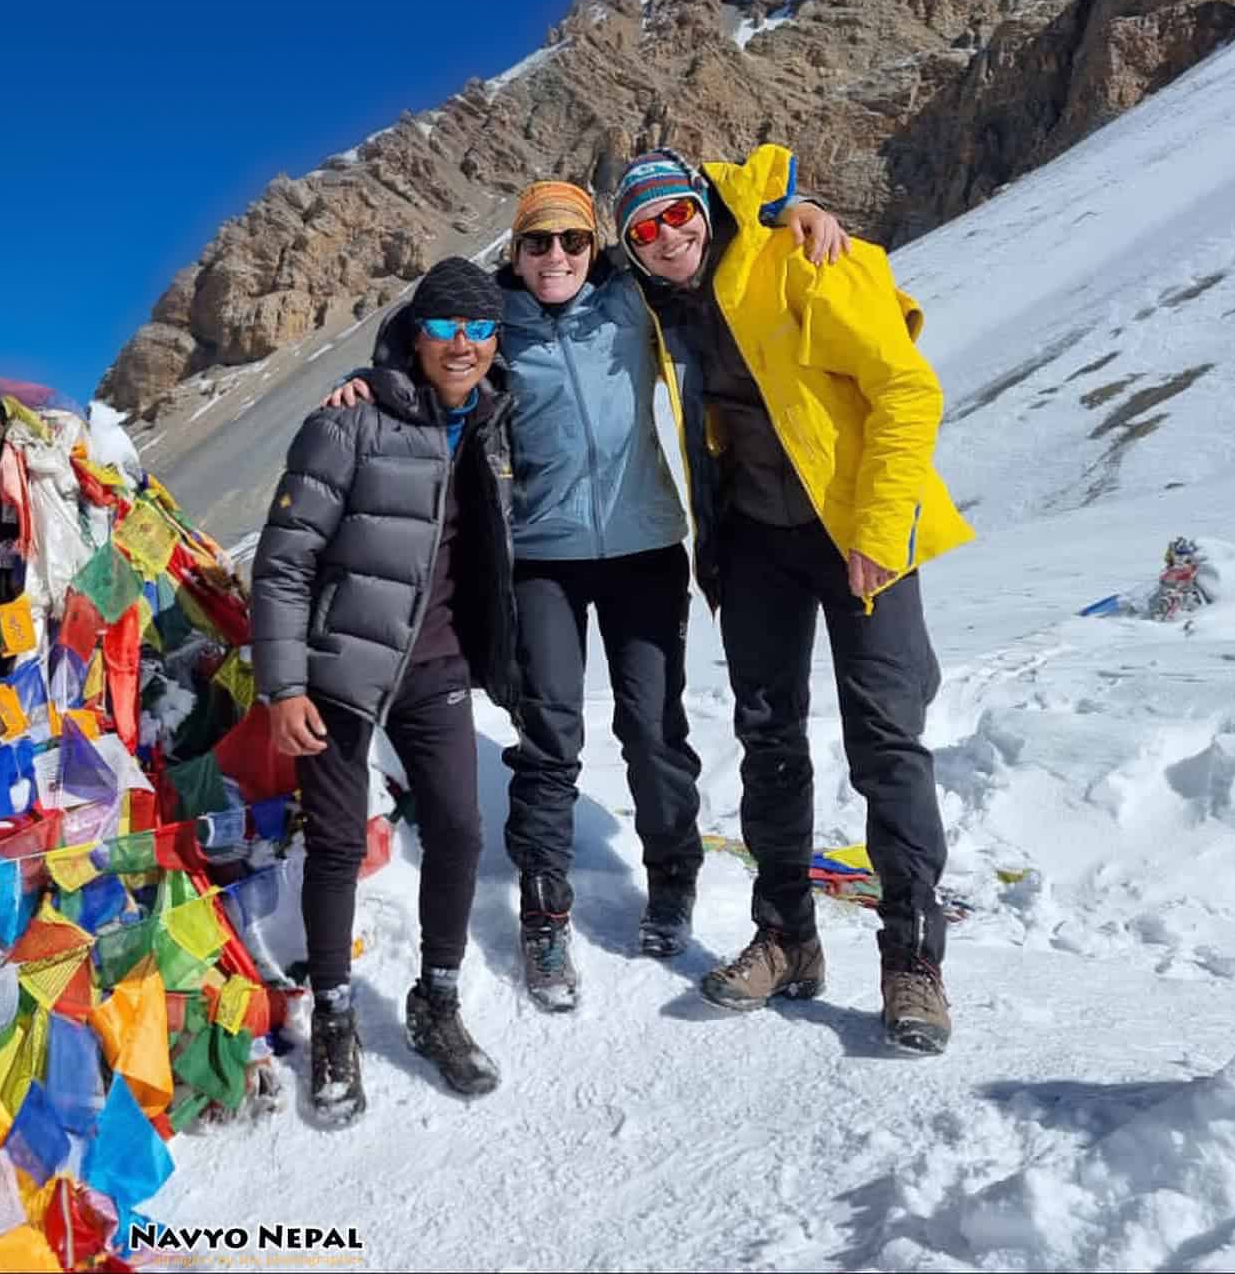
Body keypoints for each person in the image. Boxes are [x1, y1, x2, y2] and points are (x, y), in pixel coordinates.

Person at [325, 171, 846, 1012]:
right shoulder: (498, 324)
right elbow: (423, 339)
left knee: (652, 727)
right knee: (550, 732)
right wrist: (369, 376)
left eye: (571, 239)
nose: (556, 255)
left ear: (593, 245)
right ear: (518, 253)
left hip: (644, 548)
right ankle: (544, 906)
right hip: (543, 560)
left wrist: (796, 209)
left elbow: (714, 250)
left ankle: (672, 875)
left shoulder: (629, 305)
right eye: (538, 242)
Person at [614, 145, 972, 1055]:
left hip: (860, 533)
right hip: (756, 541)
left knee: (886, 739)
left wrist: (878, 531)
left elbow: (904, 387)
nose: (667, 238)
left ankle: (912, 963)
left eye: (676, 214)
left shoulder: (797, 253)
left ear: (702, 204)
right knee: (768, 736)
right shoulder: (661, 306)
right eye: (643, 231)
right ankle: (787, 939)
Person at [252, 256, 521, 1125]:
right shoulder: (349, 425)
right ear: (416, 333)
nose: (465, 345)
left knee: (459, 827)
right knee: (335, 844)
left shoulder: (491, 420)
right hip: (340, 671)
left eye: (482, 330)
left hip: (437, 662)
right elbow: (284, 563)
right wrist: (284, 685)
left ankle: (435, 1001)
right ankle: (333, 1015)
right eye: (446, 327)